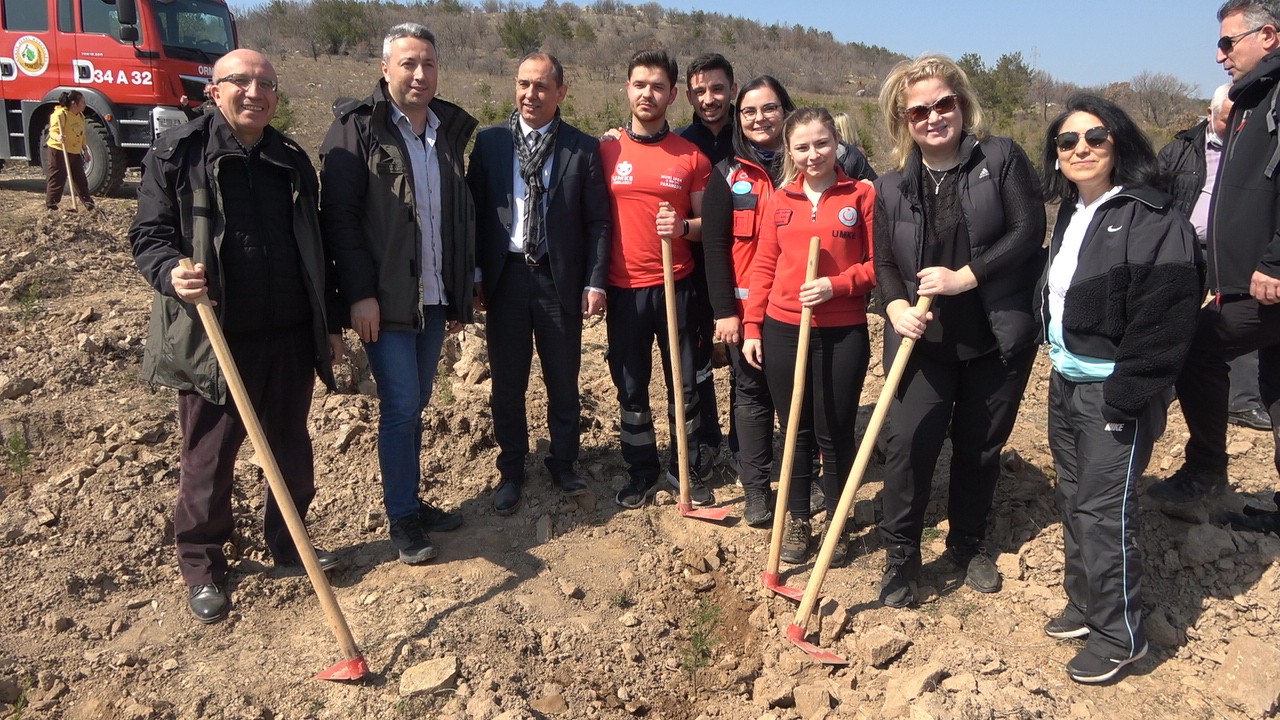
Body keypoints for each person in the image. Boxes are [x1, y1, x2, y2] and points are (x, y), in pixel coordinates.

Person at [130, 49, 342, 624]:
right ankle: (203, 567)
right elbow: (148, 236)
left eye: (266, 83)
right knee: (208, 459)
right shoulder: (179, 154)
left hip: (290, 333)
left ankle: (289, 546)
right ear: (214, 90)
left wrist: (330, 324)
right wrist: (171, 271)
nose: (256, 92)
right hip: (216, 338)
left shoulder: (290, 159)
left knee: (290, 453)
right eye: (241, 81)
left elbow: (316, 247)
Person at [1039, 93, 1201, 684]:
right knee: (1076, 498)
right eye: (1066, 141)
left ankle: (1121, 633)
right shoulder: (1071, 212)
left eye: (1094, 138)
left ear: (1119, 144)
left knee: (1107, 512)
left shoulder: (1153, 217)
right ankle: (1086, 604)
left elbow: (1168, 318)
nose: (1080, 148)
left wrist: (1130, 393)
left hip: (1116, 392)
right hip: (1067, 380)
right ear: (1055, 156)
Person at [873, 54, 1046, 608]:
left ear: (961, 103)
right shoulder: (892, 185)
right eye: (918, 110)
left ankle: (967, 545)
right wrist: (896, 307)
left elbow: (1028, 230)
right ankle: (901, 555)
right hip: (922, 344)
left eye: (943, 104)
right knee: (908, 446)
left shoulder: (999, 158)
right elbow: (883, 264)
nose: (933, 117)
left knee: (978, 448)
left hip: (994, 339)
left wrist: (966, 276)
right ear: (904, 120)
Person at [320, 22, 473, 565]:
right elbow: (339, 220)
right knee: (401, 403)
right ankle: (402, 514)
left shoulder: (446, 130)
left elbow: (451, 218)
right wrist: (358, 295)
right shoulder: (357, 129)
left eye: (428, 64)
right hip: (383, 301)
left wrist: (457, 292)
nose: (419, 73)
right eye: (408, 63)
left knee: (417, 403)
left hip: (431, 297)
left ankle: (411, 501)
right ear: (385, 69)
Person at [467, 53, 612, 515]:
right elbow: (472, 215)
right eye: (523, 84)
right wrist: (474, 274)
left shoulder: (581, 148)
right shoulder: (489, 143)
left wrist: (595, 281)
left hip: (558, 279)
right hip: (505, 276)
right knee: (507, 382)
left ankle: (563, 463)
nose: (531, 95)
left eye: (542, 86)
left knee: (563, 379)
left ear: (561, 92)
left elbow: (598, 222)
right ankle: (511, 469)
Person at [1149, 0, 1280, 509]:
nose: (1220, 54)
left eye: (1229, 42)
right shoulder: (1255, 100)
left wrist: (1274, 262)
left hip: (1264, 281)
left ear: (1268, 37)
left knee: (1197, 345)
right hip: (1247, 278)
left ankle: (1204, 472)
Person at [741, 106, 877, 565]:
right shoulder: (780, 201)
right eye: (801, 146)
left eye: (821, 143)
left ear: (836, 142)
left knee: (834, 431)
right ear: (789, 150)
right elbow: (764, 265)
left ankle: (837, 521)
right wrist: (753, 326)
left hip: (842, 332)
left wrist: (836, 285)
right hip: (784, 328)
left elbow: (880, 267)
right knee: (794, 429)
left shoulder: (861, 196)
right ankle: (798, 517)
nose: (812, 154)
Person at [602, 49, 713, 509]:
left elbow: (709, 225)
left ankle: (683, 467)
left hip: (677, 285)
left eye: (658, 86)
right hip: (623, 289)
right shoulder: (605, 149)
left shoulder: (691, 156)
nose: (648, 93)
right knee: (631, 386)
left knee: (683, 383)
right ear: (628, 88)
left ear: (672, 94)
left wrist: (683, 227)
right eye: (639, 84)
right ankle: (641, 469)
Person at [699, 75, 796, 528]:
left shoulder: (809, 167)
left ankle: (805, 480)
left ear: (785, 111)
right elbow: (715, 248)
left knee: (801, 399)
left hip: (799, 309)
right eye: (749, 111)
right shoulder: (728, 174)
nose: (760, 118)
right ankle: (757, 490)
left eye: (769, 108)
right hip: (746, 312)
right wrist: (725, 312)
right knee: (752, 396)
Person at [1157, 83, 1271, 432]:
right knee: (1171, 320)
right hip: (1185, 249)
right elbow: (1153, 196)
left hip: (1236, 252)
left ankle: (1243, 401)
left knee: (1237, 320)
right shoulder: (1180, 150)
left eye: (1240, 118)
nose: (1234, 124)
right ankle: (1166, 388)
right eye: (1226, 118)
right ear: (1210, 115)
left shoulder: (1258, 147)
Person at [676, 53, 737, 478]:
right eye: (700, 91)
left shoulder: (752, 135)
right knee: (697, 357)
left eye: (717, 89)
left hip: (747, 267)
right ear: (689, 95)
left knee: (742, 357)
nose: (709, 98)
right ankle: (707, 439)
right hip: (694, 269)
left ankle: (743, 442)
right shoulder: (681, 143)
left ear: (733, 89)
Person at [45, 90, 95, 212]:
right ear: (74, 104)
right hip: (58, 149)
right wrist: (58, 137)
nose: (84, 105)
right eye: (82, 102)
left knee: (80, 177)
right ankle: (52, 204)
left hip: (74, 150)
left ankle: (88, 203)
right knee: (59, 176)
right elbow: (53, 131)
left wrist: (85, 150)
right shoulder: (59, 115)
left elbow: (82, 135)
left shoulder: (81, 116)